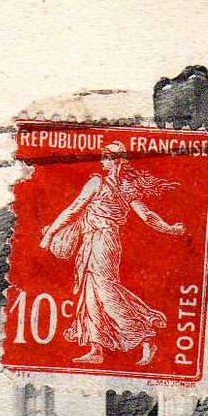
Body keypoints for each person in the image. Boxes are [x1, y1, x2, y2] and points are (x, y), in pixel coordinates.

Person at [39, 141, 185, 367]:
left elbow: (145, 215)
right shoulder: (114, 185)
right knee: (90, 295)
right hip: (91, 241)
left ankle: (145, 336)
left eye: (107, 157)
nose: (102, 161)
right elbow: (75, 208)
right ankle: (96, 347)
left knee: (106, 293)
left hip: (104, 241)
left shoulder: (109, 184)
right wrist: (170, 228)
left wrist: (50, 235)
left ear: (116, 160)